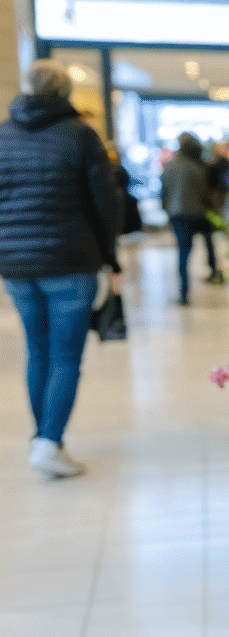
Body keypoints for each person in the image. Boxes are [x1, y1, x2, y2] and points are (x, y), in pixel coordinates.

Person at [0, 60, 122, 479]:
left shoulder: (3, 134)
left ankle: (44, 439)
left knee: (38, 350)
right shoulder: (80, 134)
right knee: (66, 356)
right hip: (71, 260)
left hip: (16, 264)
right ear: (65, 92)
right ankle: (49, 442)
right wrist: (110, 255)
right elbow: (105, 201)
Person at [161, 132, 220, 302]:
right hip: (197, 213)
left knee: (183, 253)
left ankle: (184, 291)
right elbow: (205, 193)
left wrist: (167, 209)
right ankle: (214, 271)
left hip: (178, 214)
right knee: (208, 242)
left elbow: (164, 191)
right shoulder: (199, 167)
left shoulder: (170, 166)